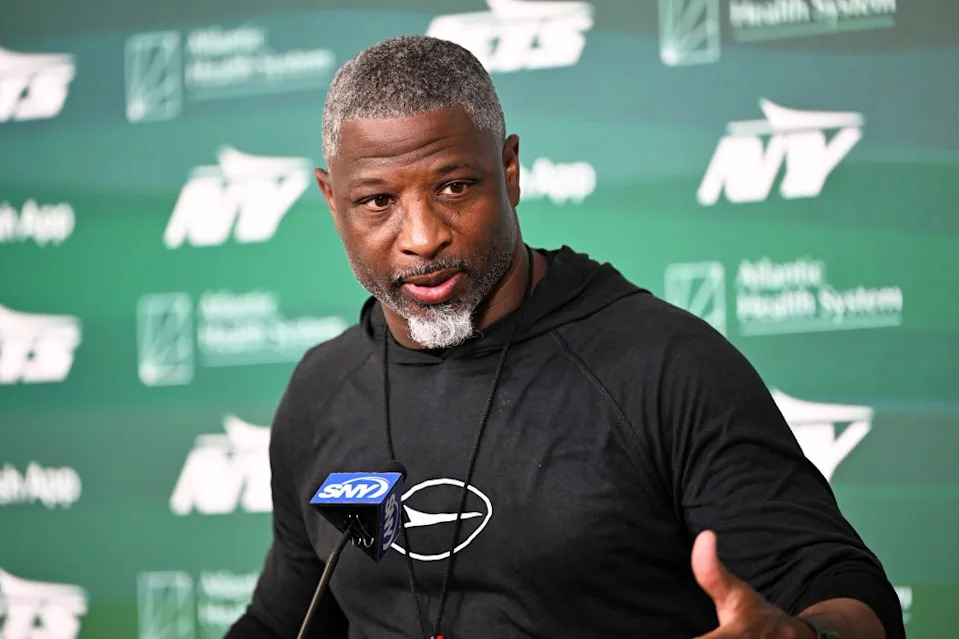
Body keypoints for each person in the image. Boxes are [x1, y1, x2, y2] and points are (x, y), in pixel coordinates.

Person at [226, 35, 904, 639]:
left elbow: (847, 591)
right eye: (377, 201)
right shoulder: (322, 386)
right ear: (330, 198)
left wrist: (806, 634)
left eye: (456, 186)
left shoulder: (662, 364)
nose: (423, 236)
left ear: (510, 171)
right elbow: (284, 619)